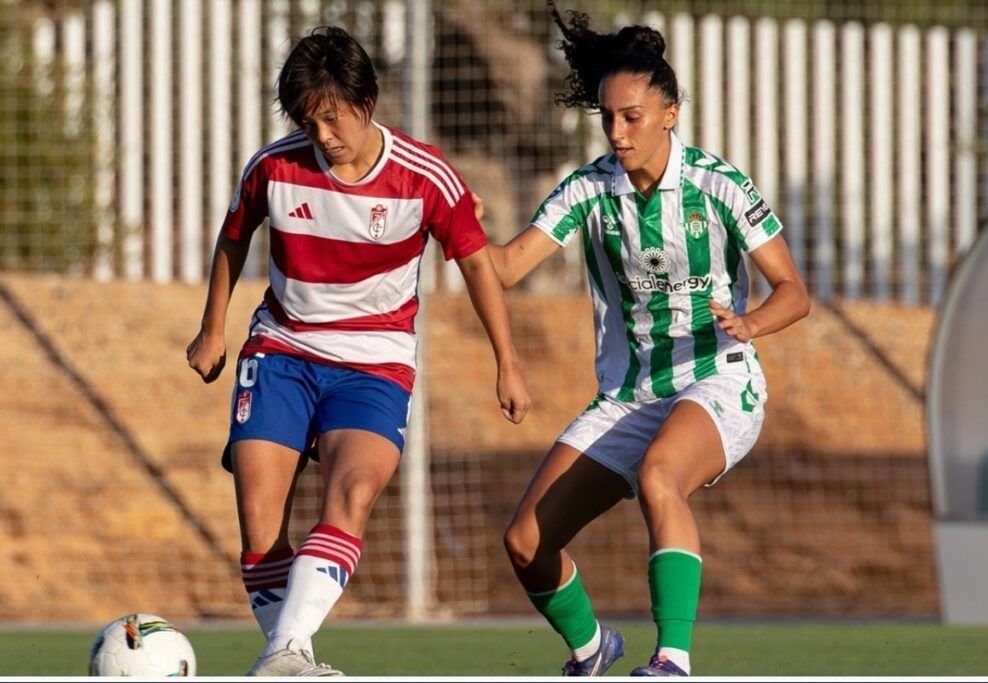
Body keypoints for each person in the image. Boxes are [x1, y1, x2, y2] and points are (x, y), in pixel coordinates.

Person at [186, 25, 531, 677]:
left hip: (374, 363)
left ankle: (284, 653)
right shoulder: (273, 167)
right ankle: (289, 655)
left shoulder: (425, 176)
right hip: (281, 351)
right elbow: (234, 237)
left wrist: (507, 362)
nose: (322, 135)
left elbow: (478, 266)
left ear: (366, 100)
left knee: (352, 493)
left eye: (332, 117)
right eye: (307, 122)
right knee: (260, 525)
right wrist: (212, 328)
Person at [488, 4, 810, 677]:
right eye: (608, 117)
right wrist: (453, 222)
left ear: (670, 113)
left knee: (663, 473)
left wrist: (751, 323)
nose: (617, 131)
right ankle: (591, 649)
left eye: (631, 116)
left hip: (718, 377)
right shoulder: (589, 189)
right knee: (525, 541)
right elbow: (506, 268)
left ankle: (672, 659)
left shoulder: (718, 185)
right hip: (629, 396)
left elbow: (793, 291)